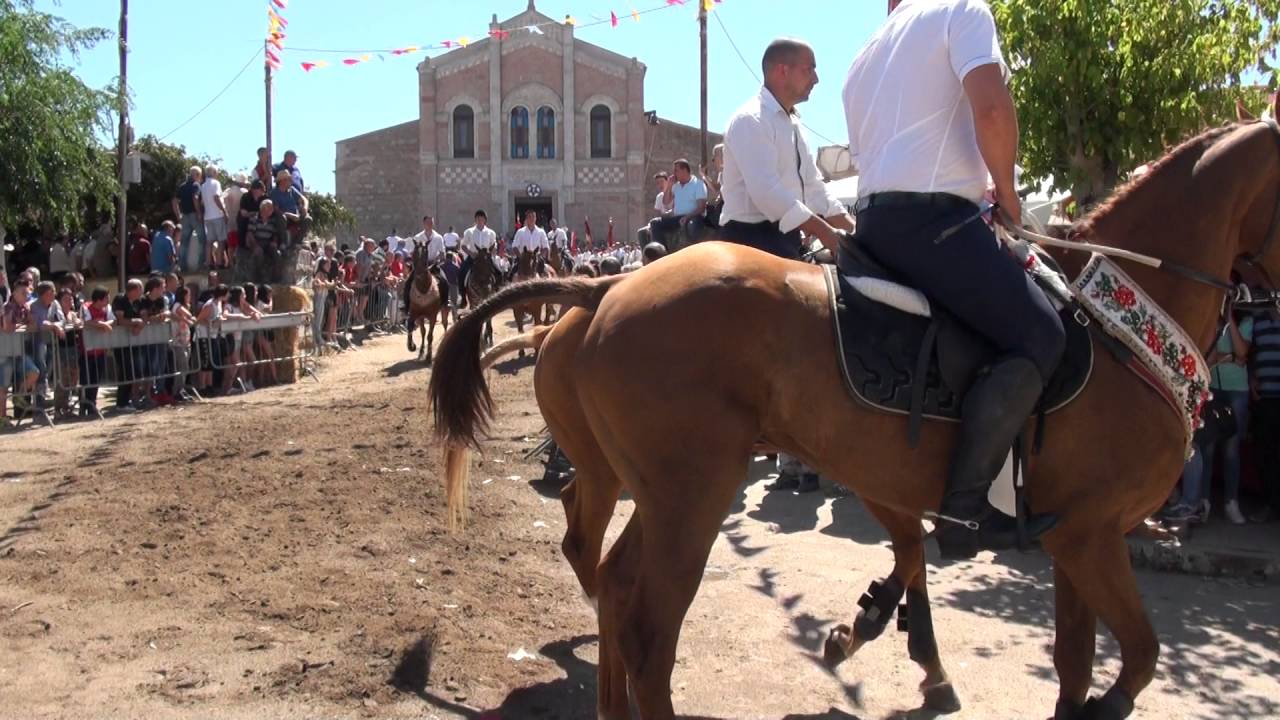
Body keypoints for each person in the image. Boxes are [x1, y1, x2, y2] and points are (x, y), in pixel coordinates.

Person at [843, 0, 1064, 557]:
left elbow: (889, 154)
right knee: (1042, 334)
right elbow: (990, 110)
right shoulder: (964, 10)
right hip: (936, 225)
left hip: (872, 226)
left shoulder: (863, 53)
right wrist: (1007, 195)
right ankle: (965, 511)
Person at [721, 38, 857, 494]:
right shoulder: (750, 121)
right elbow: (768, 195)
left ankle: (799, 448)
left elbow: (814, 188)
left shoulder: (793, 125)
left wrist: (851, 228)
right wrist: (827, 234)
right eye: (809, 68)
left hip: (782, 239)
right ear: (781, 71)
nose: (816, 78)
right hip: (749, 242)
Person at [1250, 305, 1280, 523]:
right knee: (1265, 453)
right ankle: (1270, 504)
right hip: (1264, 398)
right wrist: (1252, 377)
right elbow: (1251, 353)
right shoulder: (1258, 319)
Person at [648, 160, 707, 250]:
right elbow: (666, 202)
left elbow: (701, 208)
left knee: (692, 225)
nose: (674, 173)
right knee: (655, 223)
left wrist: (687, 217)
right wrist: (669, 186)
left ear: (684, 170)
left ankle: (694, 252)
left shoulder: (698, 184)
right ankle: (661, 252)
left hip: (694, 217)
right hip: (678, 218)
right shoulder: (676, 186)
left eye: (676, 170)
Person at [406, 215, 446, 327]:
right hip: (420, 267)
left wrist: (436, 261)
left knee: (444, 281)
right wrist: (417, 262)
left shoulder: (438, 237)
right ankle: (406, 305)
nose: (430, 224)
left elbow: (442, 253)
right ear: (424, 224)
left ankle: (445, 302)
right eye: (428, 222)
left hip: (434, 264)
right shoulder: (418, 237)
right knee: (408, 282)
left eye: (431, 223)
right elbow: (411, 252)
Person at [459, 210, 497, 307]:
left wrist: (491, 253)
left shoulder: (491, 233)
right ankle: (463, 298)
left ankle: (498, 294)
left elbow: (494, 246)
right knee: (461, 272)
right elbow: (463, 245)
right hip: (473, 258)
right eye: (478, 219)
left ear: (485, 220)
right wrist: (470, 253)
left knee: (499, 272)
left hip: (486, 259)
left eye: (481, 219)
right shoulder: (469, 232)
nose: (480, 220)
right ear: (475, 220)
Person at [173, 166, 204, 271]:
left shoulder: (182, 186)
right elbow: (195, 198)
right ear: (197, 175)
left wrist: (178, 215)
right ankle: (201, 265)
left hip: (185, 216)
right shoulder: (196, 185)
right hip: (194, 215)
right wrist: (199, 213)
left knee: (184, 242)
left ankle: (182, 266)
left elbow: (174, 201)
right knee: (202, 240)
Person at [201, 165, 229, 269]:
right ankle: (219, 262)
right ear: (213, 173)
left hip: (207, 216)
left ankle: (208, 263)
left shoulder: (203, 185)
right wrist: (224, 211)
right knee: (221, 240)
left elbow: (202, 201)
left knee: (209, 241)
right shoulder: (216, 183)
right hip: (217, 215)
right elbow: (216, 197)